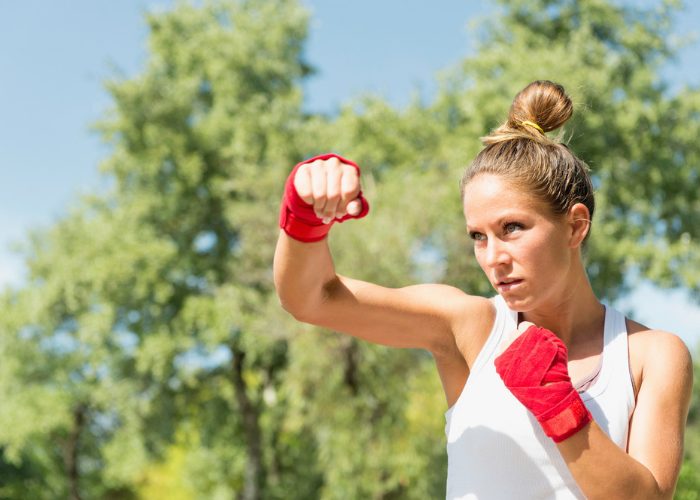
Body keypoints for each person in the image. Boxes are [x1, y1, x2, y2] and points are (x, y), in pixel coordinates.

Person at [273, 80, 693, 499]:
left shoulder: (651, 354)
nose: (493, 257)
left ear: (575, 225)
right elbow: (312, 299)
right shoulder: (468, 328)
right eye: (478, 236)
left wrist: (560, 408)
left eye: (512, 228)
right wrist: (304, 216)